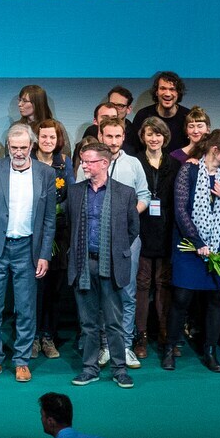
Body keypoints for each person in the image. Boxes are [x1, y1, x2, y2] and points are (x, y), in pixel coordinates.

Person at [0, 123, 60, 382]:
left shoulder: (45, 173)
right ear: (7, 147)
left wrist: (44, 254)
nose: (19, 152)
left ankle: (21, 360)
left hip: (27, 249)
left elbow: (49, 221)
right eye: (14, 147)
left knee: (25, 307)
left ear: (31, 146)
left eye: (23, 147)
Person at [165, 129, 220, 373]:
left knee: (216, 300)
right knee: (181, 298)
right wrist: (197, 242)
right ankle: (170, 349)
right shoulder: (189, 170)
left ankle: (210, 351)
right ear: (215, 150)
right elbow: (180, 210)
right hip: (190, 245)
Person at [66, 140, 138, 388]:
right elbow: (69, 227)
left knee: (114, 323)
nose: (84, 165)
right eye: (83, 161)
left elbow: (132, 229)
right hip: (83, 266)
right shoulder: (75, 192)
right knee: (88, 324)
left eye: (89, 161)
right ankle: (89, 368)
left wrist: (115, 252)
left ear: (104, 163)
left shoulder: (125, 193)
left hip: (112, 267)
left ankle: (119, 369)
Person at [97, 115, 151, 370]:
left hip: (128, 239)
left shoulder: (134, 164)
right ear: (100, 136)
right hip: (97, 240)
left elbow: (145, 195)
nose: (114, 141)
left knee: (127, 293)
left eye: (118, 136)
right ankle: (106, 345)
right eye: (109, 135)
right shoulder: (90, 162)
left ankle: (126, 346)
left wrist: (130, 215)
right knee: (101, 293)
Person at [31, 118, 72, 361]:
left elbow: (72, 193)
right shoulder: (29, 161)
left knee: (54, 289)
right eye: (44, 137)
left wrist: (57, 211)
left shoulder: (64, 163)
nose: (47, 141)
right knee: (35, 289)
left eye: (52, 137)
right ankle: (33, 336)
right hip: (33, 235)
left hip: (59, 233)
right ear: (37, 138)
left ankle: (48, 336)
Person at [131, 116, 173, 359]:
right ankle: (141, 335)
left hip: (166, 231)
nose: (154, 138)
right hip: (142, 228)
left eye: (158, 134)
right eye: (149, 134)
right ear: (143, 137)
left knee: (163, 283)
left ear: (164, 137)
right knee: (142, 284)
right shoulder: (136, 162)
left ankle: (165, 333)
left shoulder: (174, 163)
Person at [131, 71, 188, 144]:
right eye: (163, 88)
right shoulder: (142, 115)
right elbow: (134, 147)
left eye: (172, 89)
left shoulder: (187, 117)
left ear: (178, 93)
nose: (167, 94)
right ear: (156, 92)